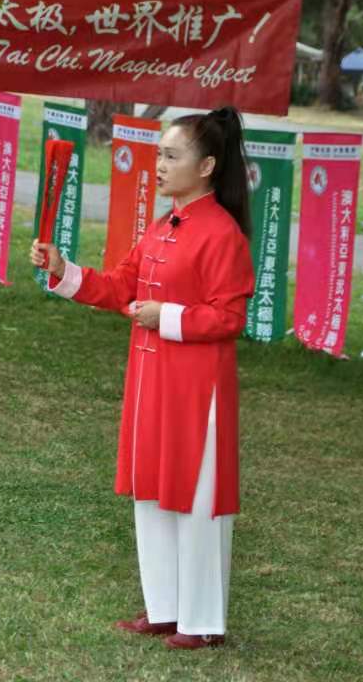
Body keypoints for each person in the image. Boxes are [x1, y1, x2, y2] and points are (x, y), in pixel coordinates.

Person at [30, 107, 255, 650]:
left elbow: (230, 317)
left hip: (197, 386)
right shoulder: (161, 227)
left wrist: (170, 317)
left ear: (205, 166)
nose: (159, 165)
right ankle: (165, 607)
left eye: (171, 156)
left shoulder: (222, 234)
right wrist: (64, 271)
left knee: (197, 497)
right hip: (150, 377)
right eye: (159, 153)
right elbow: (120, 286)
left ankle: (201, 622)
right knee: (150, 489)